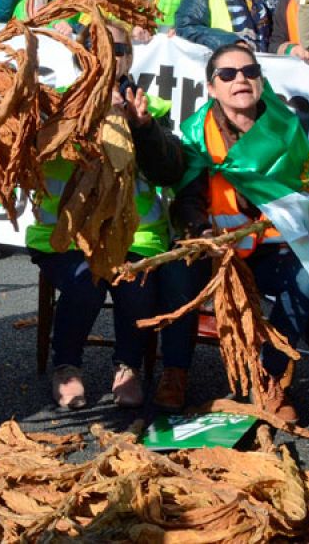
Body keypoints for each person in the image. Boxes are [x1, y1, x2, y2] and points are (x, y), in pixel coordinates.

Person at [30, 22, 197, 411]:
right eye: (95, 47)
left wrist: (143, 129)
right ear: (80, 54)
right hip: (66, 236)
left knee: (136, 285)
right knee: (85, 284)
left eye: (118, 48)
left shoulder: (151, 108)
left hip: (136, 236)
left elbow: (169, 172)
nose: (108, 55)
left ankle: (129, 367)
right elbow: (34, 159)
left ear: (130, 56)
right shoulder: (54, 106)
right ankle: (66, 368)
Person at [173, 43, 309, 422]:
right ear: (211, 88)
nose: (240, 79)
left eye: (249, 72)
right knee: (178, 273)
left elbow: (308, 188)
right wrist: (201, 231)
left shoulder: (285, 127)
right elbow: (188, 196)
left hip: (274, 244)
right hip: (217, 248)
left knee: (305, 277)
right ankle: (175, 372)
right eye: (228, 74)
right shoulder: (196, 133)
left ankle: (272, 379)